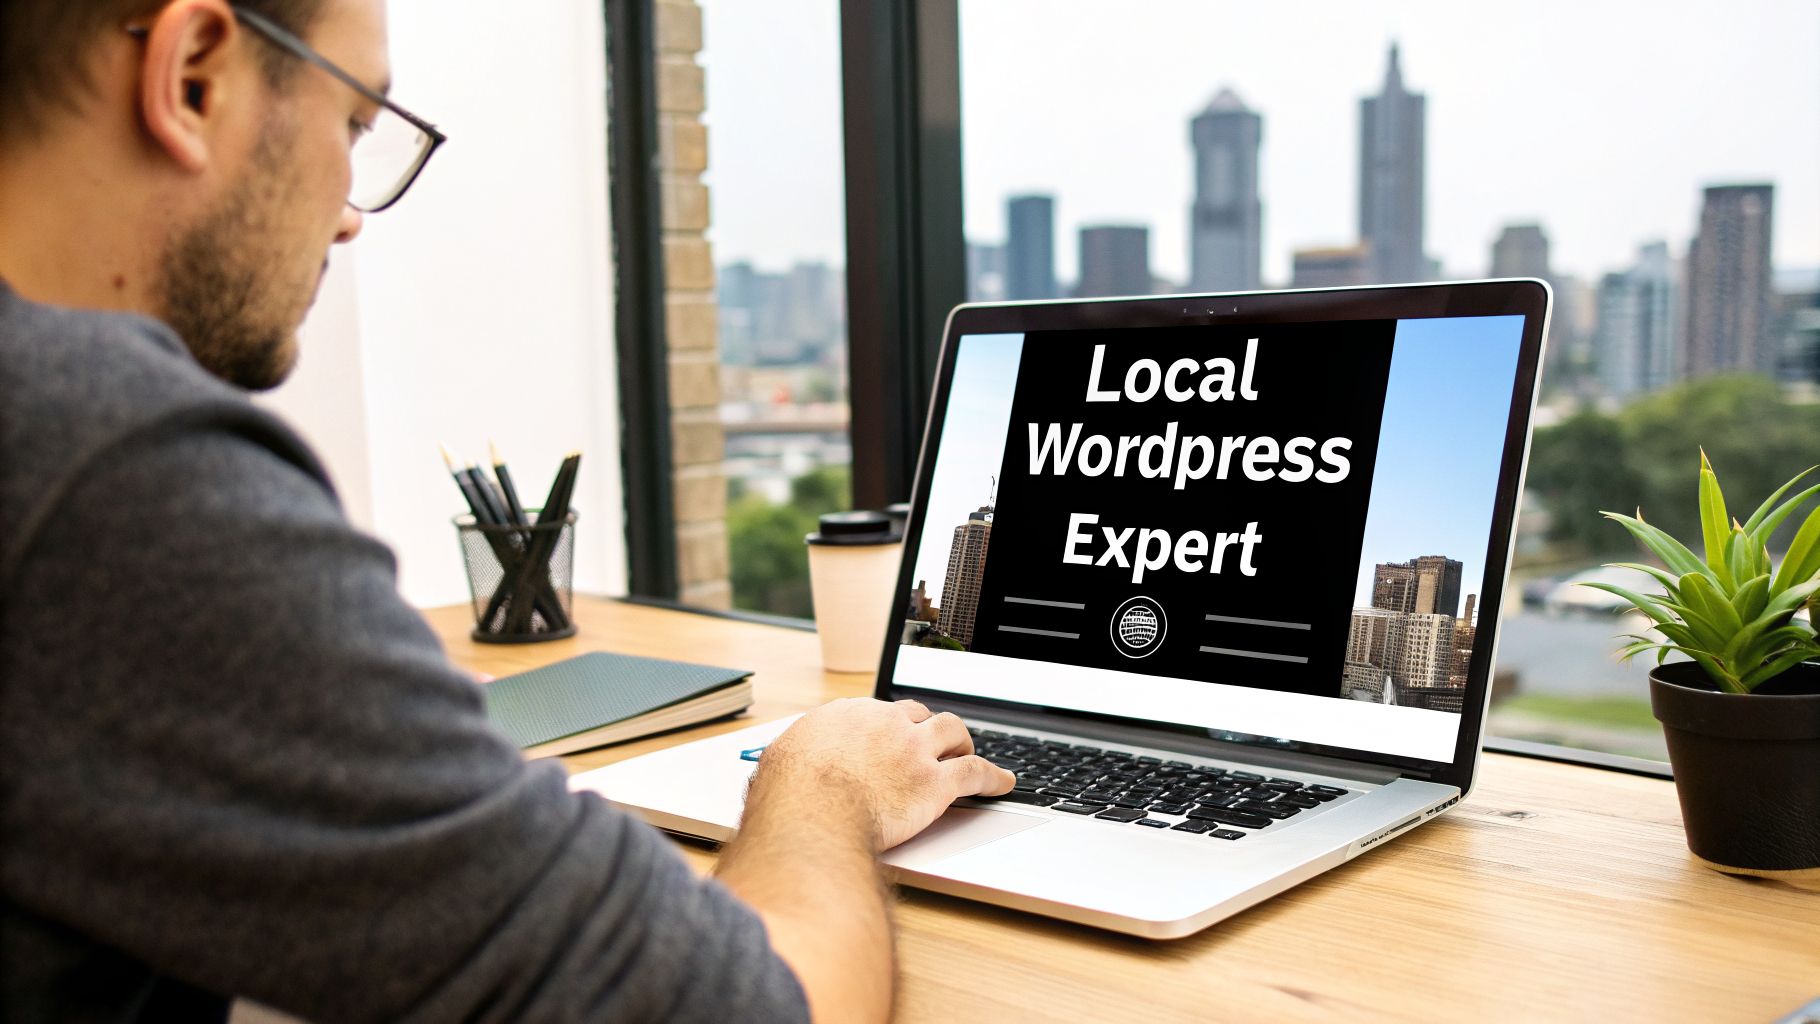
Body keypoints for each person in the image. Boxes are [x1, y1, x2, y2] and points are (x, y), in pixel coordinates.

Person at [0, 1, 1015, 1020]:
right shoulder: (110, 467)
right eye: (355, 124)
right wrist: (820, 782)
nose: (353, 211)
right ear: (192, 78)